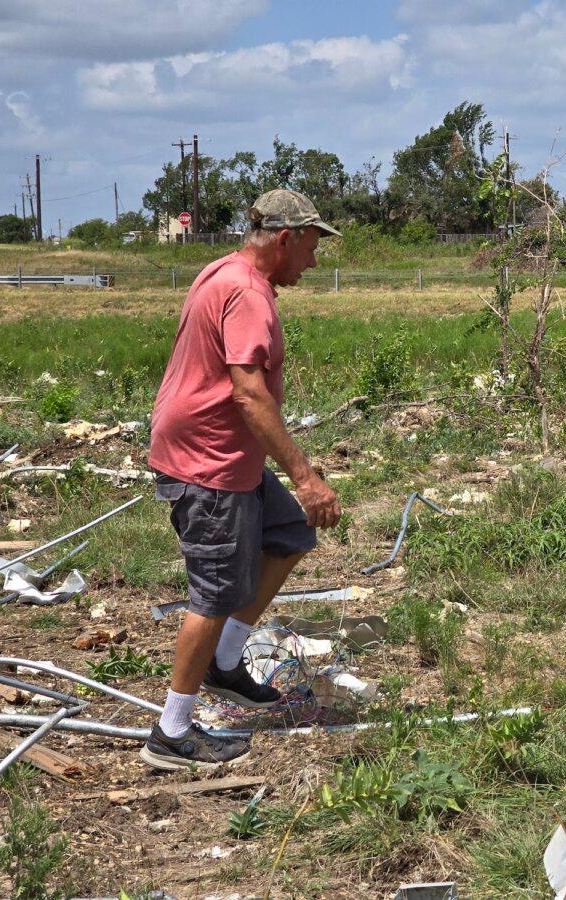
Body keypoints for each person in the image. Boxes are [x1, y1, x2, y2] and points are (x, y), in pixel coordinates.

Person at [142, 189, 343, 771]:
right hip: (209, 461)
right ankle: (172, 731)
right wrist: (305, 477)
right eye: (310, 246)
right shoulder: (248, 294)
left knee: (287, 535)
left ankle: (224, 665)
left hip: (229, 454)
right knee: (216, 591)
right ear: (284, 239)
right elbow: (249, 393)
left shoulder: (223, 272)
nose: (312, 260)